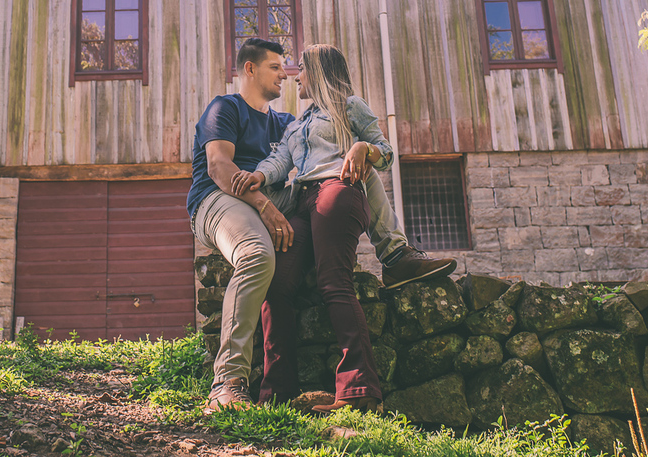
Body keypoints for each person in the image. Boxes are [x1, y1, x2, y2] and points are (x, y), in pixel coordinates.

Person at [188, 38, 454, 412]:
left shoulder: (298, 119)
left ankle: (395, 254)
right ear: (250, 69)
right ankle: (251, 385)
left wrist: (364, 149)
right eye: (277, 67)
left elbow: (377, 150)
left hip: (321, 192)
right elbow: (237, 165)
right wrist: (259, 185)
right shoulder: (230, 108)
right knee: (268, 272)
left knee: (354, 191)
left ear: (319, 74)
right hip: (224, 197)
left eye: (294, 68)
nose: (288, 74)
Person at [233, 44, 401, 412]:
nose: (297, 76)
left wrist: (361, 149)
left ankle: (359, 392)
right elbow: (280, 160)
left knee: (334, 282)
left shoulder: (349, 105)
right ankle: (276, 392)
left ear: (320, 72)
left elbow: (385, 152)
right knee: (277, 285)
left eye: (303, 69)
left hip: (337, 192)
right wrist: (257, 175)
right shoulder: (298, 122)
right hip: (303, 202)